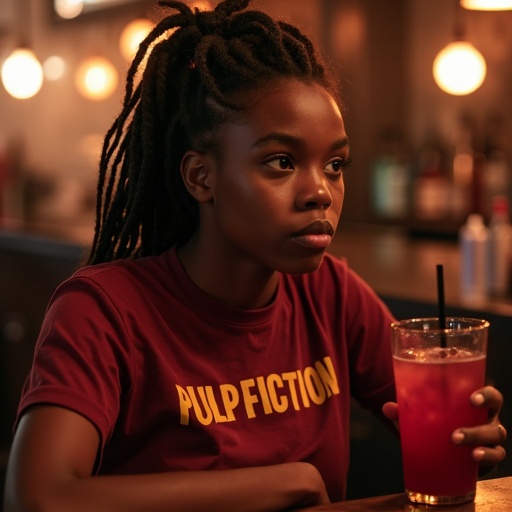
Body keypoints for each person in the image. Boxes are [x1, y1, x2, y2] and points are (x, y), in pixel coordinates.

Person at [3, 1, 507, 510]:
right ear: (202, 176)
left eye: (335, 164)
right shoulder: (103, 310)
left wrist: (469, 439)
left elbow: (441, 437)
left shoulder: (330, 293)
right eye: (281, 161)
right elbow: (37, 499)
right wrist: (286, 482)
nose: (321, 193)